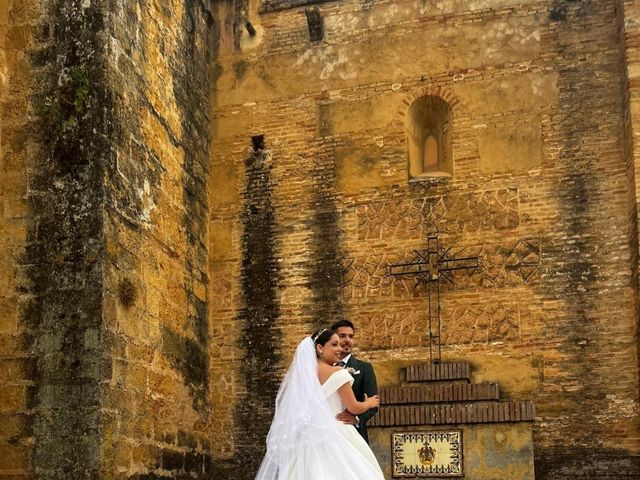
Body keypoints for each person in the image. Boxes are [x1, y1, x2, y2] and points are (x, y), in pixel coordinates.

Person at [254, 329, 385, 480]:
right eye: (334, 344)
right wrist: (369, 403)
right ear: (320, 348)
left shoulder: (304, 376)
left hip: (309, 437)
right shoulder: (338, 372)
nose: (340, 349)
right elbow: (354, 407)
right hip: (338, 432)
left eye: (340, 345)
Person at [331, 319, 378, 443]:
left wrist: (356, 419)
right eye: (342, 336)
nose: (348, 340)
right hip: (328, 433)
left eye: (351, 336)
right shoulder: (323, 368)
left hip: (354, 435)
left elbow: (373, 403)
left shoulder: (364, 368)